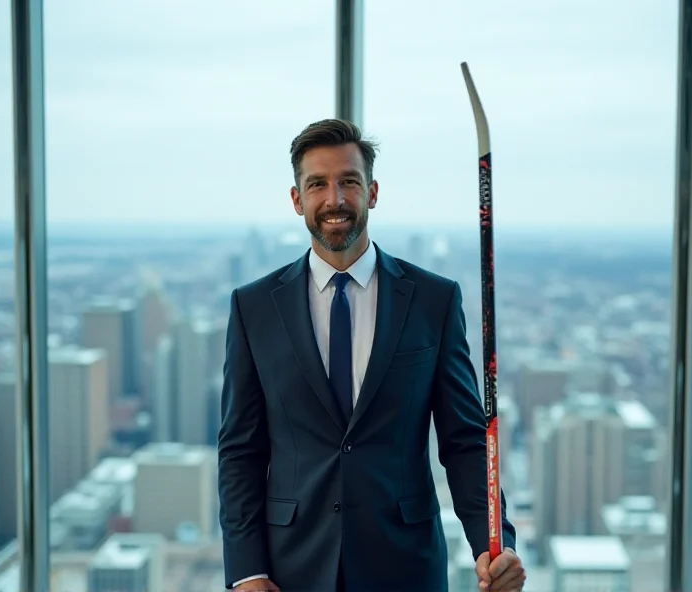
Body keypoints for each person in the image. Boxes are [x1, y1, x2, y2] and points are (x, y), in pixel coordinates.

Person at [218, 118, 525, 592]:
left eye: (349, 182)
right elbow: (240, 452)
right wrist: (246, 570)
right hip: (290, 569)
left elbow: (465, 441)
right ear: (298, 199)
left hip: (404, 565)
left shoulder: (432, 300)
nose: (335, 200)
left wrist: (493, 542)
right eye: (317, 184)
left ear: (373, 192)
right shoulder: (254, 307)